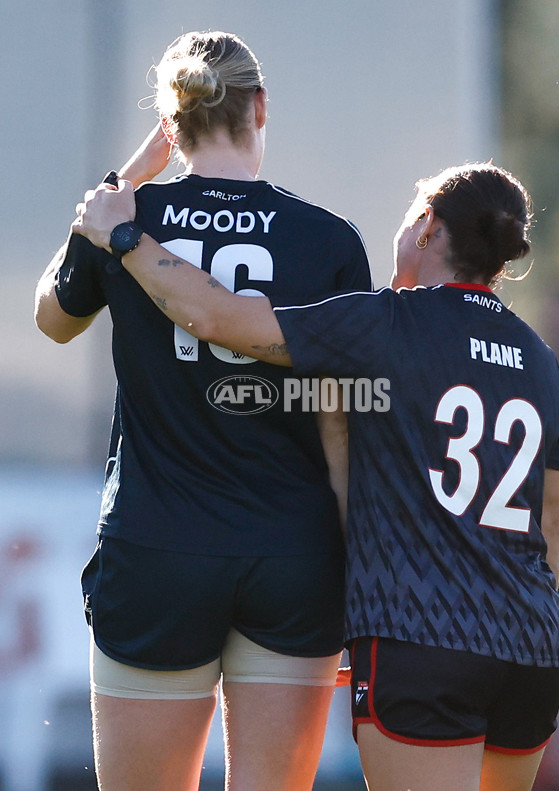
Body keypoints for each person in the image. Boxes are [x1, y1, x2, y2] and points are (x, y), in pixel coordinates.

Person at [71, 160, 559, 791]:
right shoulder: (542, 362)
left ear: (426, 228)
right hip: (531, 650)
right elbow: (550, 525)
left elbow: (218, 319)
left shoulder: (385, 324)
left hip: (423, 644)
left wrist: (124, 236)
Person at [34, 30, 372, 791]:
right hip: (293, 550)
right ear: (260, 107)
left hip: (159, 543)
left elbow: (51, 319)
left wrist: (122, 183)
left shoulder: (128, 218)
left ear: (170, 122)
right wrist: (360, 561)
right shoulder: (326, 238)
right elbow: (340, 417)